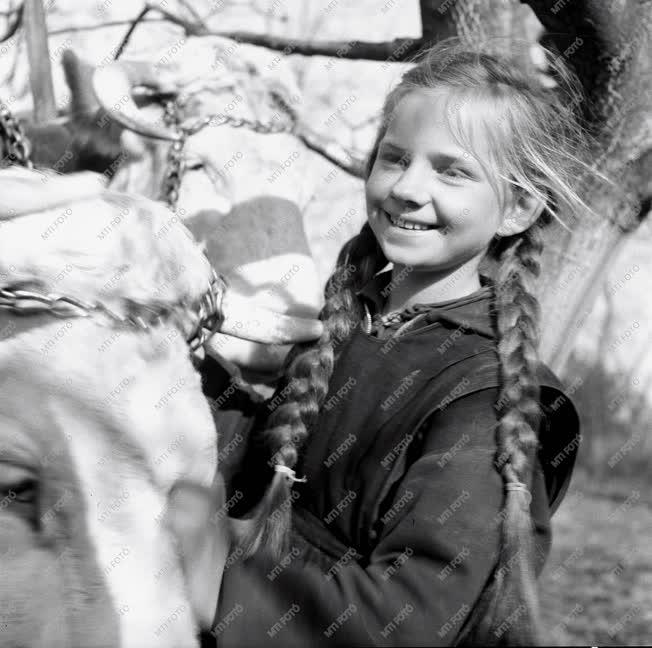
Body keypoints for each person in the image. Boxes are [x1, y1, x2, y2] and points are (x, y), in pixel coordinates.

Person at [195, 38, 595, 646]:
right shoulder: (344, 327)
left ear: (517, 208)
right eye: (394, 158)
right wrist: (182, 368)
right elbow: (253, 470)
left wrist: (201, 567)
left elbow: (400, 620)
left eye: (452, 171)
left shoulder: (485, 398)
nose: (409, 187)